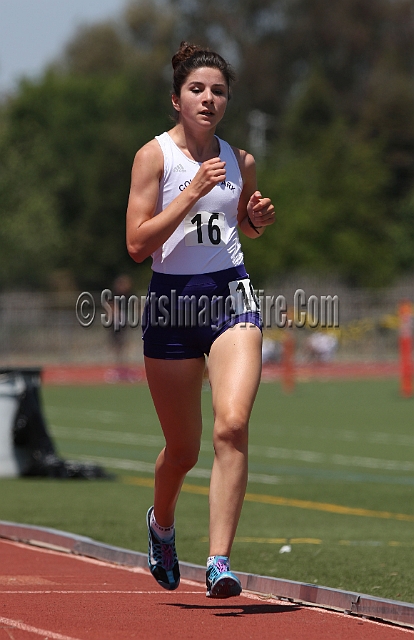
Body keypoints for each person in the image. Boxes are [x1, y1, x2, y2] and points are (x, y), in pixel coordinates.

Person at [126, 41, 275, 598]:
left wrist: (256, 219)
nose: (208, 99)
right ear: (176, 99)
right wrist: (191, 192)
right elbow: (137, 245)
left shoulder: (242, 160)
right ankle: (161, 524)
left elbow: (243, 229)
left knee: (232, 425)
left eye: (218, 91)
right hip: (171, 303)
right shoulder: (154, 157)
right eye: (197, 90)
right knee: (183, 450)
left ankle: (218, 562)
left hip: (229, 295)